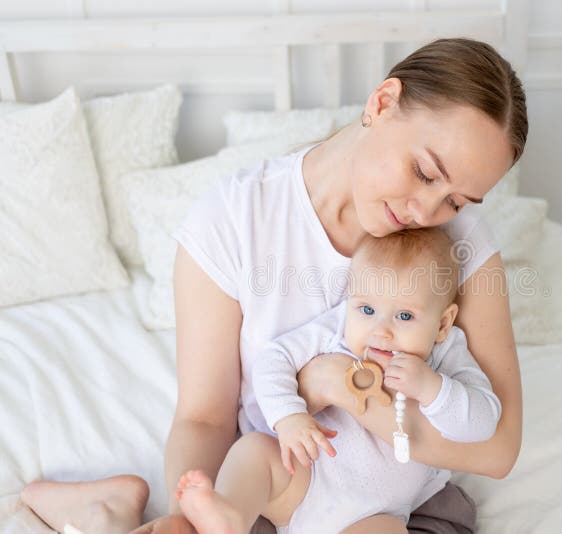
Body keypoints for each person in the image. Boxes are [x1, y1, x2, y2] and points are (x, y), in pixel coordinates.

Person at [20, 37, 527, 534]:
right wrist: (196, 516)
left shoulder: (457, 246)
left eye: (457, 201)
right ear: (382, 103)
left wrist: (340, 388)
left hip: (395, 505)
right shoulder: (234, 219)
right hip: (281, 479)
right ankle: (105, 510)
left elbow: (498, 450)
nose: (426, 211)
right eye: (422, 171)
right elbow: (204, 418)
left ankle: (105, 514)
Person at [175, 227, 502, 534]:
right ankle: (231, 512)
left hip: (376, 513)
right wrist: (288, 416)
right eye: (367, 309)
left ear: (443, 323)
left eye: (405, 316)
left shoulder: (446, 353)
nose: (381, 331)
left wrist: (432, 388)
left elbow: (484, 421)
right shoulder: (338, 329)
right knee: (256, 451)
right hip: (306, 477)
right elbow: (275, 358)